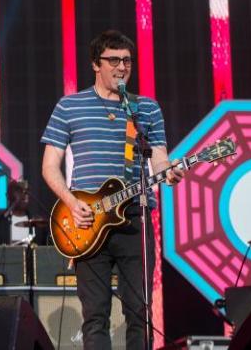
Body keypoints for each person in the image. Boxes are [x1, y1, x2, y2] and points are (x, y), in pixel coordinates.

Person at [40, 30, 184, 350]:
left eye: (127, 61)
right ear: (95, 64)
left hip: (136, 218)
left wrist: (171, 173)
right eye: (114, 60)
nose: (122, 67)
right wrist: (71, 201)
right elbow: (50, 166)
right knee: (95, 315)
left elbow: (159, 162)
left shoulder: (144, 108)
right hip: (87, 221)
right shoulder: (69, 106)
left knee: (139, 313)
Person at [0, 178, 47, 245]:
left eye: (27, 191)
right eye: (19, 191)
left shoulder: (39, 224)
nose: (24, 195)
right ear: (8, 196)